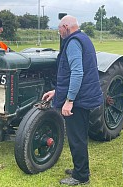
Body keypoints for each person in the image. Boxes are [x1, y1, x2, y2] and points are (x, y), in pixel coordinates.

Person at [42, 15, 103, 186]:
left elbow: (77, 73)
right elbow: (72, 74)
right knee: (80, 136)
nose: (59, 32)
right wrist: (57, 91)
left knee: (76, 138)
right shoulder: (84, 38)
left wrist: (69, 100)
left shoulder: (73, 42)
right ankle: (80, 169)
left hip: (78, 99)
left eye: (59, 29)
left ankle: (81, 176)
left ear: (66, 26)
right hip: (83, 96)